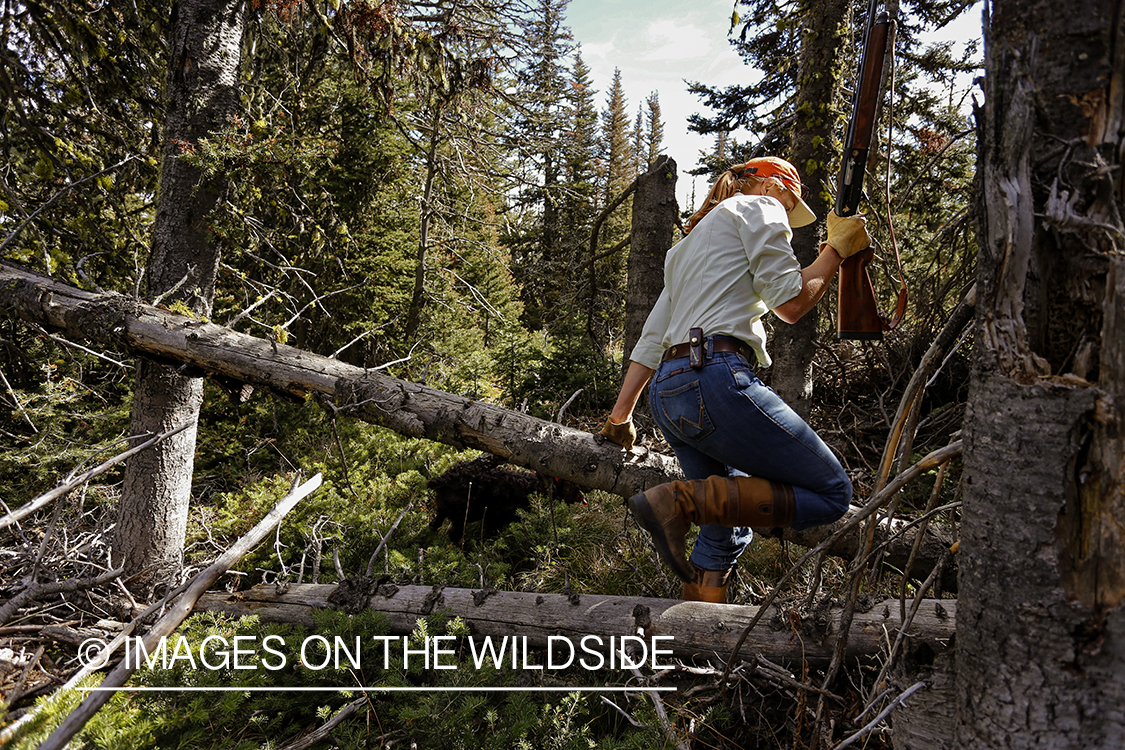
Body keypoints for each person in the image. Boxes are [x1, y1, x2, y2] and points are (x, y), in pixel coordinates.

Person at [599, 156, 870, 603]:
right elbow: (790, 303)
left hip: (669, 391)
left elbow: (652, 339)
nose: (787, 213)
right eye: (790, 201)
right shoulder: (760, 206)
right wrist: (836, 248)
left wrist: (620, 416)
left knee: (723, 531)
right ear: (772, 186)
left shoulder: (687, 246)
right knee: (833, 493)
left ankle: (699, 627)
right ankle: (677, 502)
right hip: (714, 379)